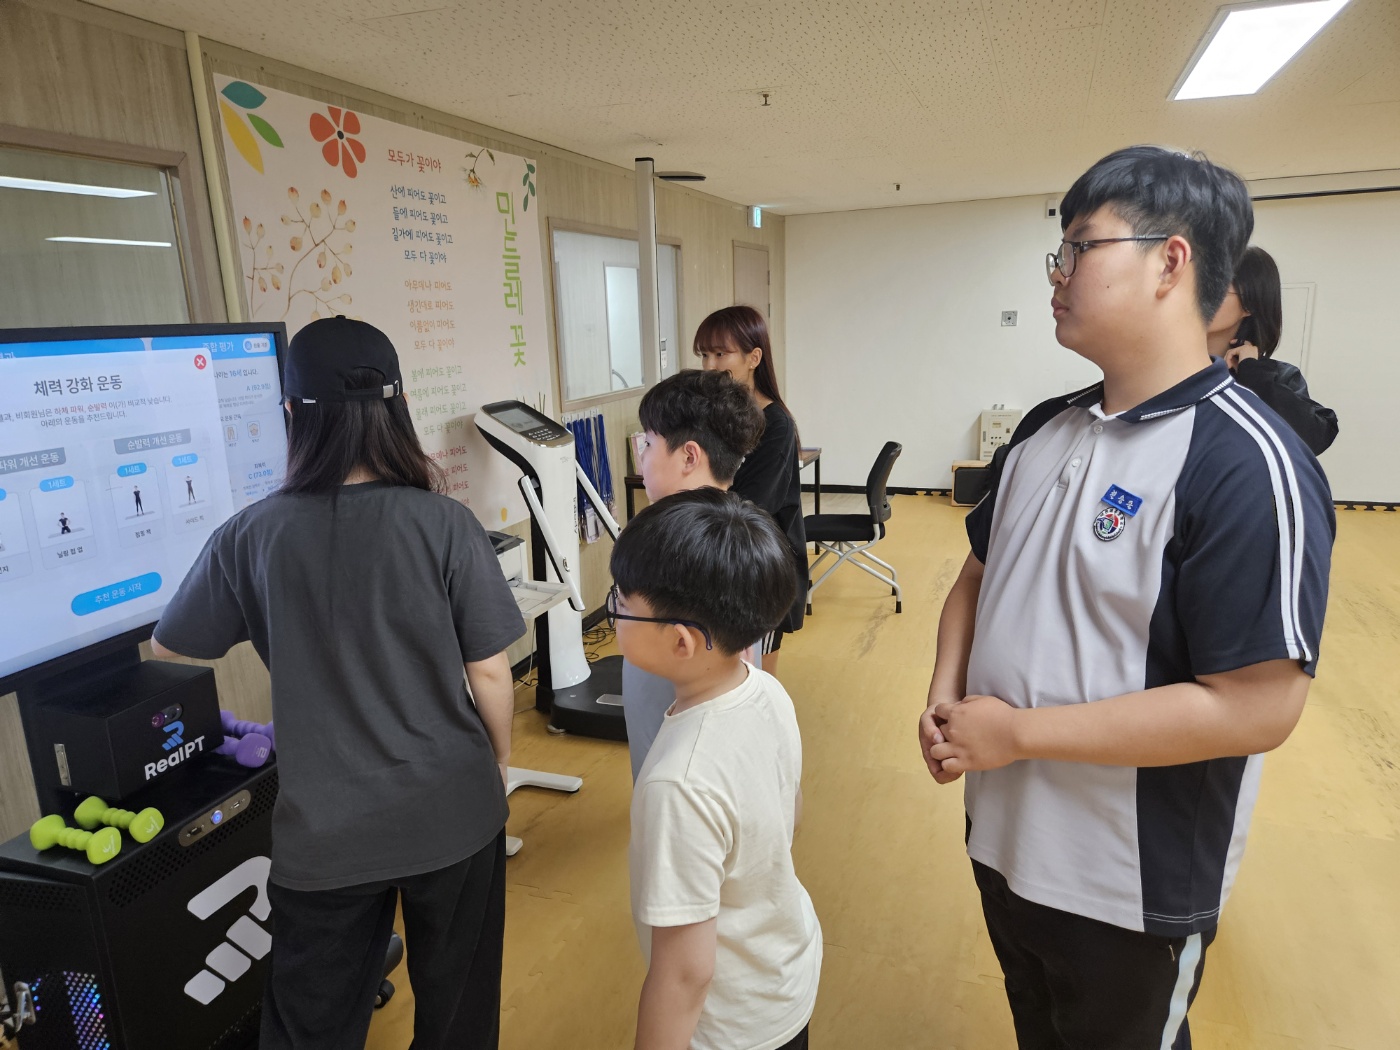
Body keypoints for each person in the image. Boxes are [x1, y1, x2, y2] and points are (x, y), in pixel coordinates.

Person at [918, 147, 1334, 1048]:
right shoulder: (1045, 429)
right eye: (1059, 251)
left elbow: (1258, 706)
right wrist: (946, 695)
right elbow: (978, 575)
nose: (1058, 274)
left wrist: (1019, 734)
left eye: (1081, 247)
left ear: (1170, 261)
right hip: (1004, 839)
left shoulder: (1244, 463)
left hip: (1127, 887)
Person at [152, 316, 523, 1050]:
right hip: (453, 809)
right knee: (459, 1019)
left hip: (324, 832)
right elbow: (488, 670)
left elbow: (169, 652)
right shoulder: (446, 524)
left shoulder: (250, 534)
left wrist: (244, 723)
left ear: (292, 414)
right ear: (400, 407)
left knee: (308, 1029)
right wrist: (500, 759)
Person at [611, 488, 821, 1050]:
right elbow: (791, 813)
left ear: (680, 641)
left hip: (732, 1028)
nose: (614, 611)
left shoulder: (678, 783)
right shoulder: (766, 691)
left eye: (621, 603)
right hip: (783, 978)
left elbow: (684, 975)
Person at [625, 368, 766, 781]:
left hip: (676, 727)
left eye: (648, 444)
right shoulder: (743, 528)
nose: (643, 457)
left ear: (689, 456)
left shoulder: (669, 545)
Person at [694, 306, 806, 675]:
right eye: (704, 355)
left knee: (757, 680)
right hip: (722, 558)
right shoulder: (715, 417)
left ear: (753, 358)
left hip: (759, 569)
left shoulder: (776, 425)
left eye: (720, 354)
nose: (710, 366)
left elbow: (752, 505)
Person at [1206, 244, 1339, 455]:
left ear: (1250, 304)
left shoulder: (1277, 376)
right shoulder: (1166, 366)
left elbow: (1314, 439)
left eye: (1216, 289)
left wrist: (1254, 374)